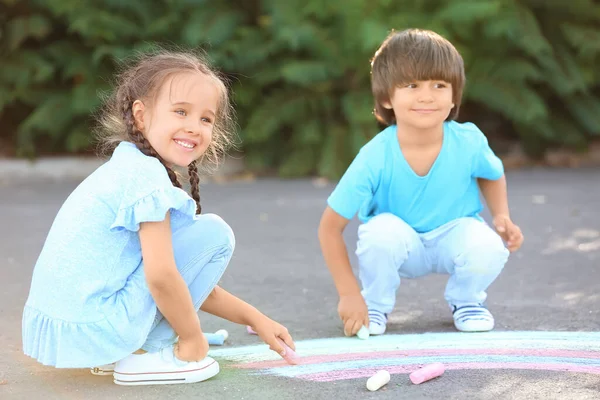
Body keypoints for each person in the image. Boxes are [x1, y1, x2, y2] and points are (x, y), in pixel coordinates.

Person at [22, 50, 294, 386]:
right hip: (97, 327)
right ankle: (150, 354)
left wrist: (255, 318)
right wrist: (192, 338)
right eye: (181, 111)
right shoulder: (146, 179)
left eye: (206, 119)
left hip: (74, 327)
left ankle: (129, 350)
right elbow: (164, 278)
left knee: (196, 247)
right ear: (140, 115)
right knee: (215, 233)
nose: (194, 127)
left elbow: (184, 277)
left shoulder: (128, 166)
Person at [318, 29, 524, 337]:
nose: (427, 96)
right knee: (379, 235)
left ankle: (467, 301)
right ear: (387, 97)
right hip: (401, 242)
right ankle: (374, 304)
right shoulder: (375, 156)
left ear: (454, 95)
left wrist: (501, 215)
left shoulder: (468, 140)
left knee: (488, 247)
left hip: (454, 233)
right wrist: (350, 294)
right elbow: (329, 228)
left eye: (439, 85)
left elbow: (491, 173)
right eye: (412, 85)